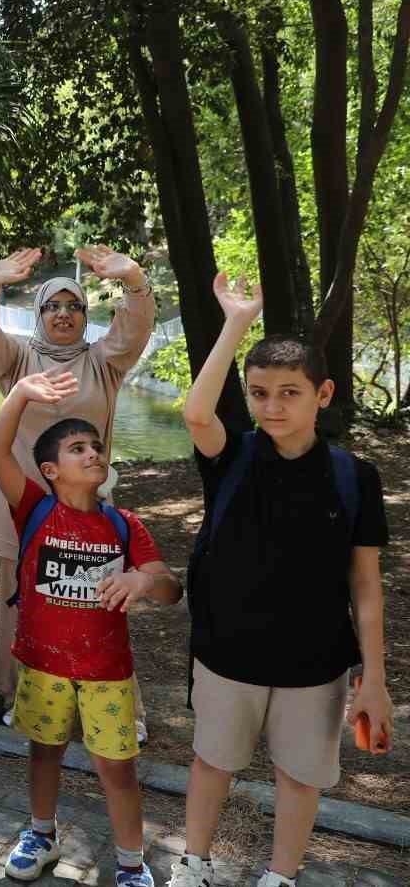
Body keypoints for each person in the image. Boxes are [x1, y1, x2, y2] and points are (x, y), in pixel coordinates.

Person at [171, 275, 391, 887]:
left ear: (323, 395)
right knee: (212, 762)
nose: (273, 407)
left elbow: (366, 589)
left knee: (300, 775)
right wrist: (236, 323)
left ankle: (282, 875)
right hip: (225, 652)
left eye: (289, 393)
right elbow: (195, 411)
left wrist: (374, 681)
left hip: (316, 662)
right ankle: (193, 864)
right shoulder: (232, 457)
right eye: (260, 392)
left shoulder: (355, 477)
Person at [0, 237, 157, 728]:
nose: (64, 314)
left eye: (74, 305)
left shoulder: (104, 361)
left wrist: (132, 277)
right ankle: (15, 694)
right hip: (22, 506)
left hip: (89, 513)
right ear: (38, 313)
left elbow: (135, 328)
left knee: (99, 600)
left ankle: (117, 706)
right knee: (18, 597)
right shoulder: (18, 359)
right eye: (53, 305)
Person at [0, 371, 180, 886]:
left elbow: (170, 588)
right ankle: (41, 834)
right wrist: (20, 395)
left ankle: (131, 864)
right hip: (43, 665)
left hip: (106, 673)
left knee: (117, 769)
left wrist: (142, 580)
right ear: (51, 469)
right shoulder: (34, 507)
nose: (93, 453)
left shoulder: (125, 524)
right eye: (78, 448)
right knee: (43, 751)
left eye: (96, 446)